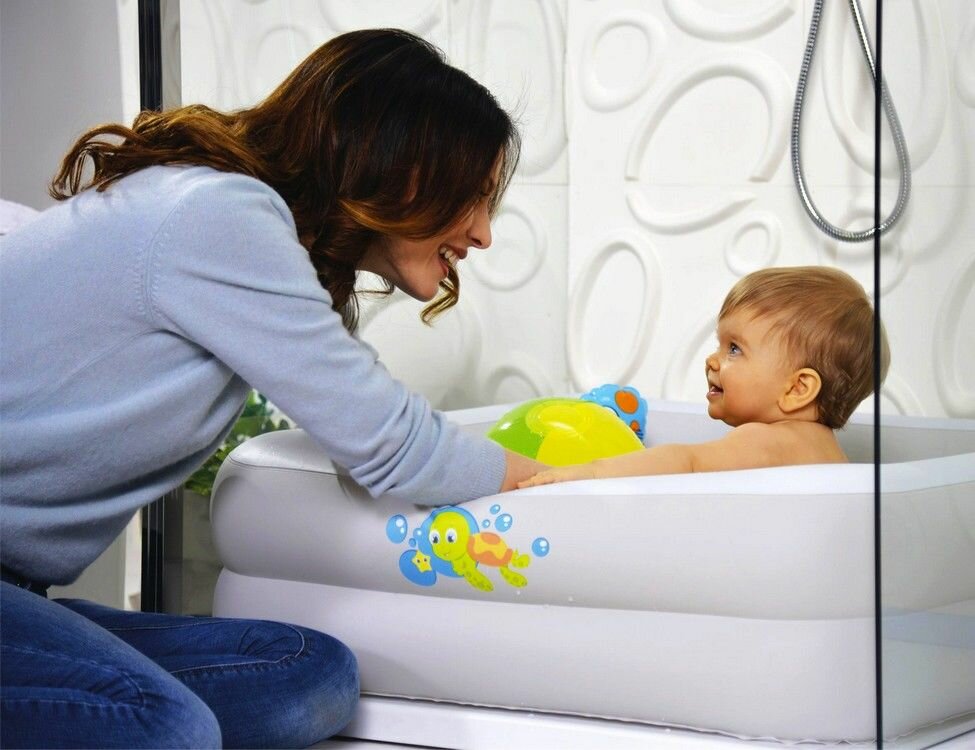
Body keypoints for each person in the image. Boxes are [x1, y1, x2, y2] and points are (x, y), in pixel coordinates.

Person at [0, 29, 544, 749]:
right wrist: (579, 477)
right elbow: (393, 446)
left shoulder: (234, 226)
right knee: (168, 729)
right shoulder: (219, 214)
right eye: (472, 197)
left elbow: (366, 419)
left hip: (16, 591)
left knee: (305, 675)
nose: (482, 233)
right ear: (403, 170)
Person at [519, 266, 890, 487]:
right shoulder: (825, 451)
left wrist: (592, 473)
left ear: (797, 388)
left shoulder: (769, 441)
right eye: (720, 344)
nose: (712, 360)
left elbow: (687, 463)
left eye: (735, 349)